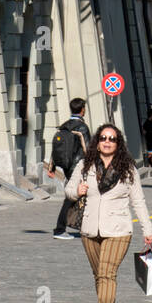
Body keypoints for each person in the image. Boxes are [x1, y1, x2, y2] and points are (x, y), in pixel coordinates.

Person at [66, 124, 152, 303]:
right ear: (97, 141)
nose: (107, 142)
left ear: (118, 143)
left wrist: (147, 228)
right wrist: (76, 191)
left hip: (118, 230)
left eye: (112, 139)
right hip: (89, 229)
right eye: (103, 138)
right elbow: (69, 190)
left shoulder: (128, 169)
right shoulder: (85, 166)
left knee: (107, 273)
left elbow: (138, 201)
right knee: (99, 276)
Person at [50, 98, 91, 240]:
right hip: (78, 166)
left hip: (67, 166)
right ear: (82, 109)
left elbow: (56, 148)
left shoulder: (64, 126)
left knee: (76, 195)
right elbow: (88, 147)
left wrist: (52, 166)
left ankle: (83, 226)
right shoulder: (82, 127)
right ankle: (60, 229)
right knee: (71, 198)